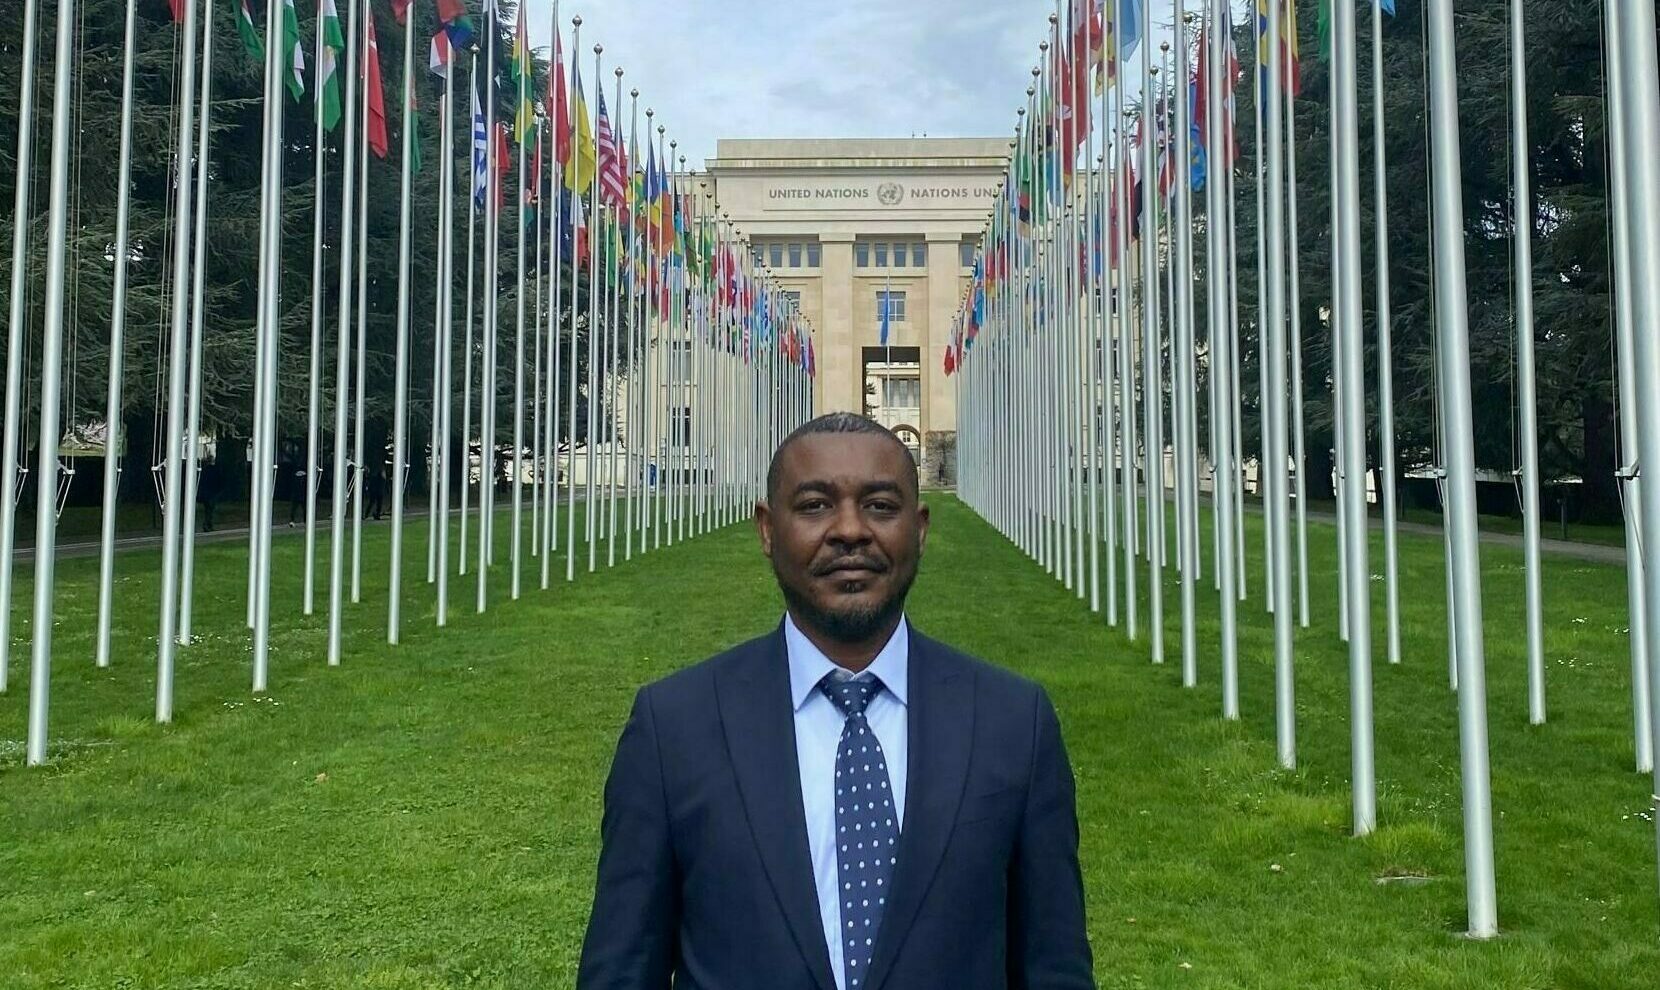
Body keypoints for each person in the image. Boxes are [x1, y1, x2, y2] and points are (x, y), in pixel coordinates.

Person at [578, 412, 1093, 990]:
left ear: (920, 529)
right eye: (816, 505)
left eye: (880, 505)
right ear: (767, 530)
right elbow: (622, 970)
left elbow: (1054, 967)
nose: (850, 529)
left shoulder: (1014, 724)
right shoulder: (673, 729)